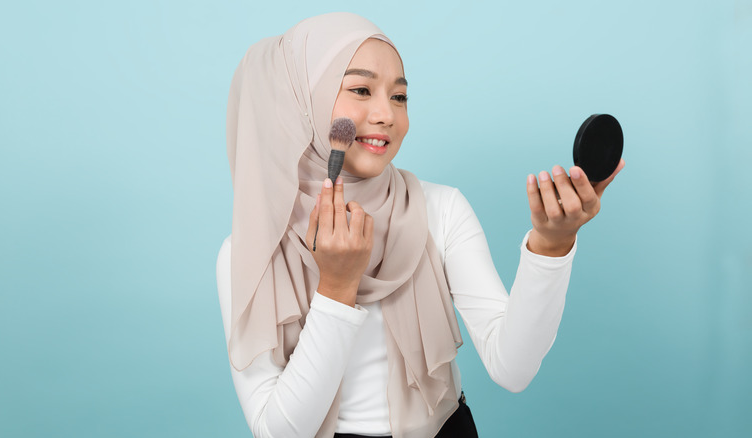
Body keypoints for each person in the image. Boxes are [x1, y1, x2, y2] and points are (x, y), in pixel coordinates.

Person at [217, 12, 623, 438]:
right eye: (360, 89)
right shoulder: (249, 252)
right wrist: (336, 289)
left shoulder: (440, 209)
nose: (386, 114)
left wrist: (551, 245)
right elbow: (277, 433)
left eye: (399, 97)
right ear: (303, 101)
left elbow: (513, 369)